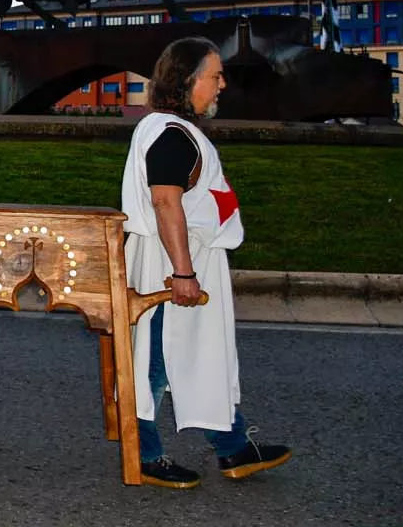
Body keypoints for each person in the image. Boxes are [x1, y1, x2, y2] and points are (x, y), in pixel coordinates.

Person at [124, 36, 292, 489]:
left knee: (197, 356)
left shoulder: (169, 129)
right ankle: (144, 453)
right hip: (172, 269)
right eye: (215, 76)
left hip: (183, 262)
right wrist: (182, 272)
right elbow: (165, 203)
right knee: (157, 362)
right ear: (187, 80)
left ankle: (233, 446)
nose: (222, 84)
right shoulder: (171, 135)